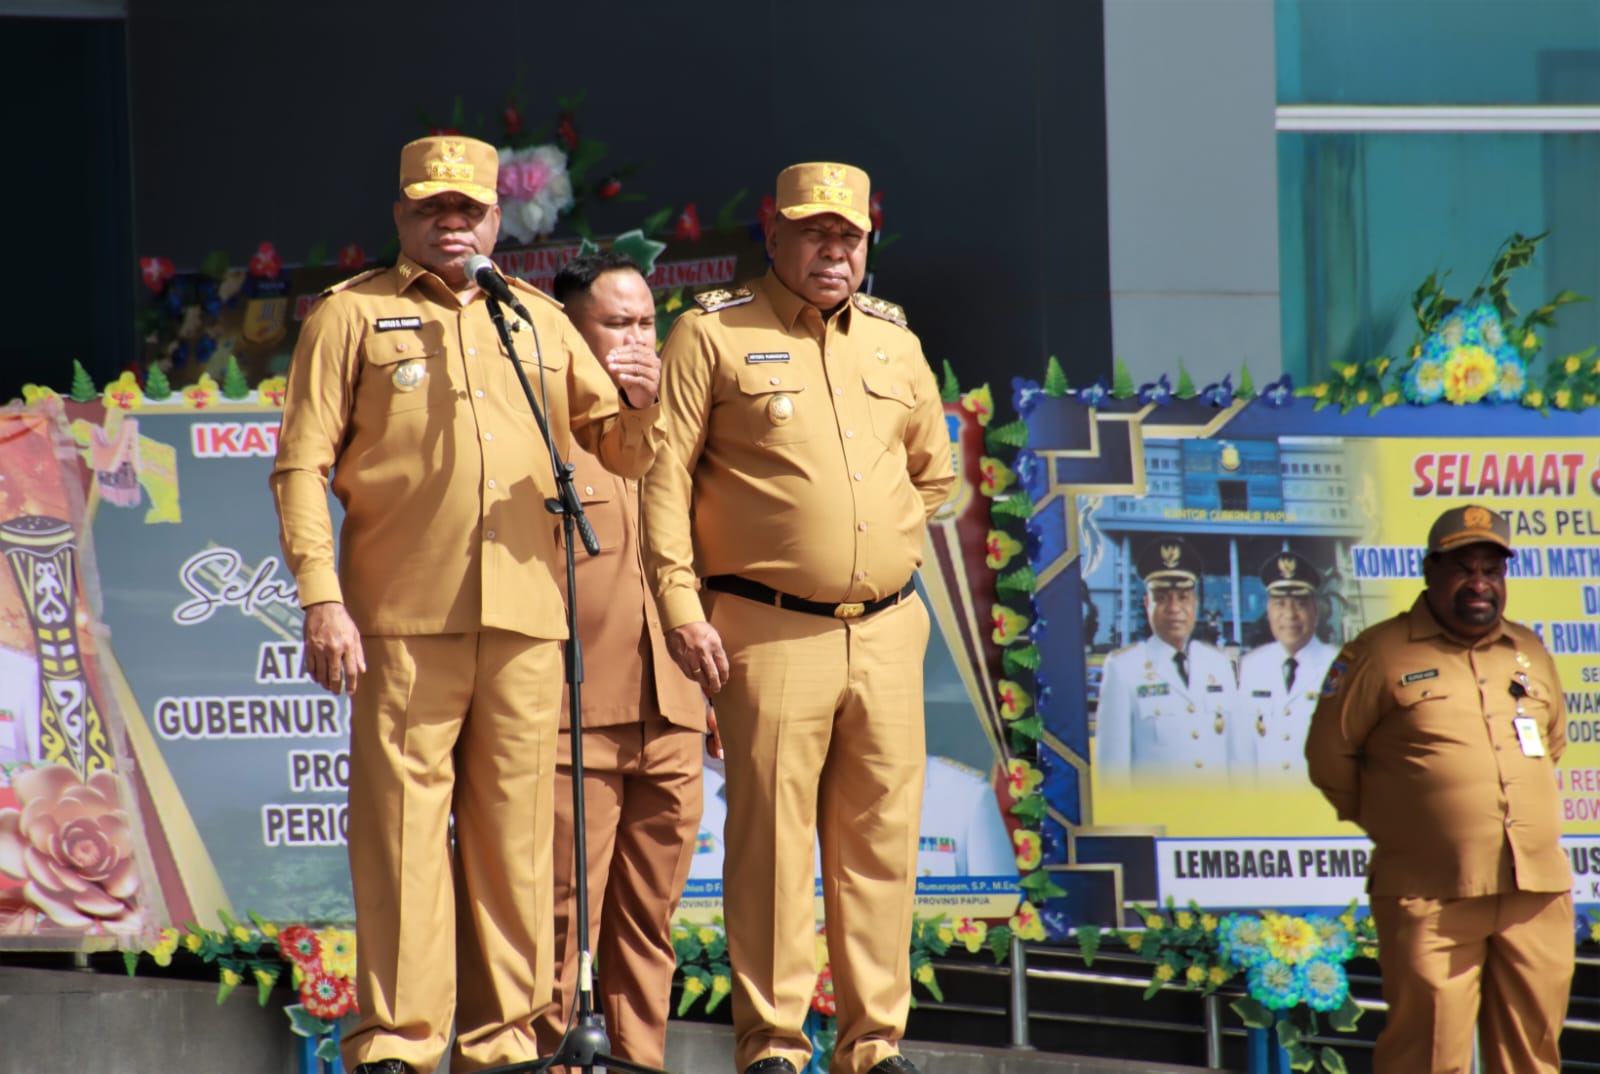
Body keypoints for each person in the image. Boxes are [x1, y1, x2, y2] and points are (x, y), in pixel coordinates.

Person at [269, 135, 659, 1074]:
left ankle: (506, 1044)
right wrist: (322, 598)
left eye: (468, 207)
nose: (452, 221)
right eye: (431, 206)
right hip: (403, 616)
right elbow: (300, 466)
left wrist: (641, 406)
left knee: (518, 840)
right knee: (402, 837)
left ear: (497, 216)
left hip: (527, 614)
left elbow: (618, 450)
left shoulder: (536, 322)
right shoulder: (352, 315)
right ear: (401, 214)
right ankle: (398, 1044)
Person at [641, 161, 954, 1074]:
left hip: (889, 628)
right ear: (773, 236)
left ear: (868, 245)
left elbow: (932, 473)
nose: (832, 249)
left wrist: (870, 539)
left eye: (848, 235)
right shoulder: (712, 334)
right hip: (768, 627)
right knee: (773, 844)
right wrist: (679, 602)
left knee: (881, 843)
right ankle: (773, 1043)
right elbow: (665, 483)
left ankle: (873, 1044)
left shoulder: (896, 343)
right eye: (814, 231)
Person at [1306, 505, 1572, 1074]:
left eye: (1491, 569)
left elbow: (1550, 743)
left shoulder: (1530, 651)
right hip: (1430, 892)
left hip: (1533, 891)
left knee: (1533, 1056)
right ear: (1430, 571)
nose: (1479, 582)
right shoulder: (1378, 653)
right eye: (1462, 567)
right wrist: (1409, 827)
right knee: (1427, 1057)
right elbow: (1329, 757)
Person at [532, 251, 714, 1069]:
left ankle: (639, 1062)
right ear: (572, 328)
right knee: (562, 918)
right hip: (576, 712)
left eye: (648, 323)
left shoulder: (681, 426)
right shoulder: (542, 424)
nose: (639, 339)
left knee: (648, 922)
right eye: (617, 323)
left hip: (672, 709)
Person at [1094, 538, 1243, 783]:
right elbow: (1112, 775)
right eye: (1161, 598)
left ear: (1195, 604)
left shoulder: (1219, 665)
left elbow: (1237, 762)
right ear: (1146, 604)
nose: (1174, 608)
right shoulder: (1122, 669)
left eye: (1183, 597)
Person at [1237, 550, 1336, 779]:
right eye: (1280, 604)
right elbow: (1242, 754)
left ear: (1315, 611)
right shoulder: (1252, 667)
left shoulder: (1341, 665)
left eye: (1300, 604)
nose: (1289, 615)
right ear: (1269, 612)